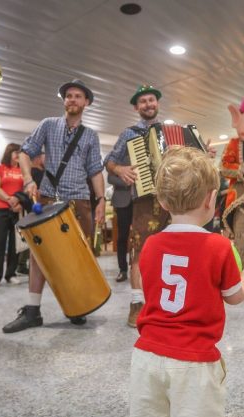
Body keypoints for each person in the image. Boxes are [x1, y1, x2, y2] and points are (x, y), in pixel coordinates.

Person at [128, 146, 244, 417]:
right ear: (212, 200)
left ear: (164, 203)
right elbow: (234, 297)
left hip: (147, 354)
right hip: (195, 360)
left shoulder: (151, 244)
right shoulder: (220, 246)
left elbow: (150, 284)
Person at [3, 79, 105, 332]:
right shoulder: (48, 125)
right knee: (39, 257)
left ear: (86, 102)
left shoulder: (91, 135)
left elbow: (95, 171)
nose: (72, 99)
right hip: (48, 198)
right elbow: (25, 152)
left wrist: (101, 200)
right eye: (68, 95)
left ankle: (77, 304)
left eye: (77, 96)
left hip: (79, 201)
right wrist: (28, 179)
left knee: (80, 257)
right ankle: (32, 310)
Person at [105, 84, 171, 326]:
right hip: (143, 200)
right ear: (136, 107)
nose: (148, 105)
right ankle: (136, 304)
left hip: (170, 201)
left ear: (157, 103)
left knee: (171, 251)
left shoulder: (170, 132)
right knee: (139, 251)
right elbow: (109, 161)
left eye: (151, 100)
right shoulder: (129, 133)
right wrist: (120, 169)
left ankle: (167, 301)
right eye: (142, 102)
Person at [0, 142, 24, 288]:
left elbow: (25, 190)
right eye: (17, 153)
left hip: (17, 211)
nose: (18, 156)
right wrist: (10, 200)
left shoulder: (23, 171)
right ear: (10, 153)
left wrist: (20, 203)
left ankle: (11, 274)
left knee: (15, 244)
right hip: (1, 210)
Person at [16, 152, 45, 276]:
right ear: (38, 158)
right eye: (44, 157)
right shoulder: (33, 172)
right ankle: (22, 265)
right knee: (33, 238)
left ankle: (25, 264)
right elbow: (31, 191)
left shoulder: (43, 171)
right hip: (35, 209)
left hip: (43, 208)